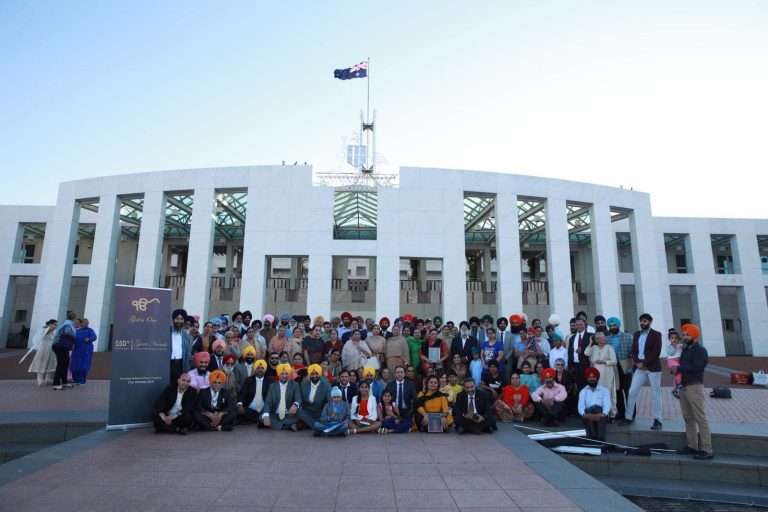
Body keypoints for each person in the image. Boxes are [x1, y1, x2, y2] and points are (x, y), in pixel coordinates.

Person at [672, 324, 713, 460]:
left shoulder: (700, 350)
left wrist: (679, 368)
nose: (684, 337)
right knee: (688, 418)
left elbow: (697, 366)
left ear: (694, 336)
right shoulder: (685, 350)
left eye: (687, 335)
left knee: (700, 418)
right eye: (684, 335)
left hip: (694, 386)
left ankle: (707, 449)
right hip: (684, 386)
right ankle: (692, 445)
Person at [619, 313, 664, 430]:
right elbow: (633, 350)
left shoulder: (656, 334)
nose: (642, 323)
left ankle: (657, 419)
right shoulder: (637, 334)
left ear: (650, 322)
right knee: (632, 391)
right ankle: (628, 417)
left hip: (653, 368)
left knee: (656, 393)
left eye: (645, 321)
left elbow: (656, 352)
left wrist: (644, 363)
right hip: (639, 368)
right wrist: (638, 362)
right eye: (641, 321)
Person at [583, 331, 618, 418]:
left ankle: (611, 413)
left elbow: (614, 361)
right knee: (598, 393)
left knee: (607, 392)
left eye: (603, 337)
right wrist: (590, 342)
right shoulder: (594, 347)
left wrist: (604, 361)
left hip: (607, 373)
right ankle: (600, 412)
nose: (603, 339)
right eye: (600, 338)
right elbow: (586, 353)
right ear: (597, 340)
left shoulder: (609, 347)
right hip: (596, 375)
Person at [606, 316, 633, 420]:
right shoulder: (608, 338)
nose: (612, 327)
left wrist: (631, 366)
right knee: (617, 391)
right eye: (611, 326)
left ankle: (631, 414)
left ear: (618, 325)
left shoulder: (628, 336)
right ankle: (621, 413)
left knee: (628, 391)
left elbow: (632, 352)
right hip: (613, 367)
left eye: (614, 325)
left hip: (625, 366)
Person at [262, 363, 302, 431]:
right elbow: (267, 402)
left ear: (289, 374)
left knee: (299, 418)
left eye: (286, 374)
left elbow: (298, 398)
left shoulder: (294, 384)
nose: (284, 376)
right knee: (261, 417)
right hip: (275, 414)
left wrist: (295, 405)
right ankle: (286, 426)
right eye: (282, 374)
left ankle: (276, 425)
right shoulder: (272, 386)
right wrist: (266, 416)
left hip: (289, 414)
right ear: (278, 374)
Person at [578, 368, 611, 441]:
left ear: (597, 378)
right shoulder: (583, 391)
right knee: (587, 412)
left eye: (593, 377)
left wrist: (600, 415)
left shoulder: (604, 390)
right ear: (587, 379)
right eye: (590, 377)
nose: (592, 378)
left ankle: (599, 438)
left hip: (600, 414)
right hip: (588, 414)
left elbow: (607, 407)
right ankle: (594, 437)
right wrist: (592, 416)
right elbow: (580, 408)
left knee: (599, 411)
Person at [236, 359, 271, 425]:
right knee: (239, 411)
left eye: (262, 368)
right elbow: (243, 393)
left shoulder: (269, 381)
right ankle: (259, 420)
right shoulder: (249, 380)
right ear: (255, 369)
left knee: (268, 414)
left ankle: (255, 420)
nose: (260, 370)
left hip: (264, 410)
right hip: (250, 409)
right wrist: (240, 404)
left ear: (265, 370)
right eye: (258, 368)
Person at [298, 364, 331, 429]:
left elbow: (330, 401)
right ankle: (317, 426)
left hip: (320, 414)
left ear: (320, 374)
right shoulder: (303, 385)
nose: (314, 375)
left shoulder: (326, 386)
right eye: (312, 374)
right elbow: (299, 399)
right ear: (309, 375)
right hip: (307, 413)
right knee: (298, 411)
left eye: (316, 373)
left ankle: (310, 424)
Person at [384, 366, 416, 432]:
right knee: (386, 422)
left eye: (401, 372)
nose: (400, 374)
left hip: (406, 411)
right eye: (398, 372)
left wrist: (412, 412)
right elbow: (385, 398)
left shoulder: (410, 384)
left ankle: (392, 430)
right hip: (393, 411)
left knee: (409, 423)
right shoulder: (390, 385)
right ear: (395, 374)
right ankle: (402, 428)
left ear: (404, 374)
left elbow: (415, 397)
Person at [51, 311, 77, 390]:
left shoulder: (65, 323)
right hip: (60, 345)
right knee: (61, 364)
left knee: (65, 363)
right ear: (73, 318)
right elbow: (67, 332)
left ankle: (64, 382)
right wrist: (75, 337)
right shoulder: (68, 324)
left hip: (60, 345)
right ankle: (56, 383)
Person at [27, 319, 58, 386]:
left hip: (51, 349)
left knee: (50, 363)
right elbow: (43, 334)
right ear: (50, 324)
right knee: (42, 362)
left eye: (56, 325)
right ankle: (40, 379)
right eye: (54, 324)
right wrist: (50, 329)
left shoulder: (54, 332)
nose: (55, 326)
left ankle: (48, 379)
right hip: (44, 348)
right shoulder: (44, 329)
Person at [567, 318, 592, 390]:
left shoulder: (590, 336)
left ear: (585, 325)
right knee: (578, 387)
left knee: (588, 386)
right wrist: (570, 366)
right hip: (575, 366)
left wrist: (583, 349)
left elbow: (592, 349)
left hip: (587, 365)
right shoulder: (572, 338)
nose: (579, 326)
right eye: (577, 325)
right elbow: (570, 353)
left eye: (581, 324)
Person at [70, 318, 96, 385]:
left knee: (84, 365)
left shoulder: (90, 330)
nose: (86, 324)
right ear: (82, 323)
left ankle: (82, 380)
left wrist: (89, 339)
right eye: (85, 323)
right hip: (77, 350)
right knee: (75, 364)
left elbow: (94, 337)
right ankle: (75, 379)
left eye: (87, 323)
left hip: (86, 351)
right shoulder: (77, 331)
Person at [170, 308, 192, 382]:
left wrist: (186, 370)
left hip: (180, 364)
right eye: (177, 318)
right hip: (168, 363)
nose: (179, 321)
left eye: (181, 319)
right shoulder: (166, 332)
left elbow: (187, 353)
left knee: (176, 386)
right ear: (173, 320)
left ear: (184, 321)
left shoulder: (186, 336)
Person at [666, 329, 683, 398]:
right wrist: (674, 346)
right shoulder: (669, 347)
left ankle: (675, 390)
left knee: (677, 375)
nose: (674, 339)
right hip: (671, 361)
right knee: (679, 370)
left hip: (678, 361)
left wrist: (682, 340)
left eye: (676, 338)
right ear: (669, 339)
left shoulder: (680, 345)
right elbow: (671, 353)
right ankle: (679, 384)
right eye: (672, 338)